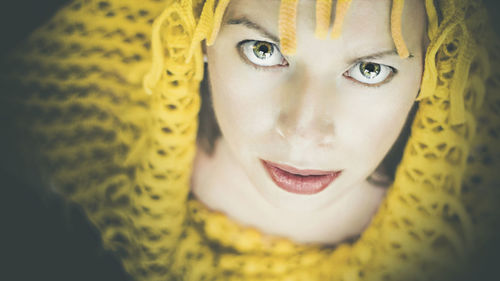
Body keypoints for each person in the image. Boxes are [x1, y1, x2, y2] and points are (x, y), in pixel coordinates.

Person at [0, 0, 498, 280]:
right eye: (261, 49)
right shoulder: (82, 120)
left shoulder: (482, 208)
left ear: (438, 70)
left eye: (370, 69)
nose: (303, 132)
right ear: (199, 38)